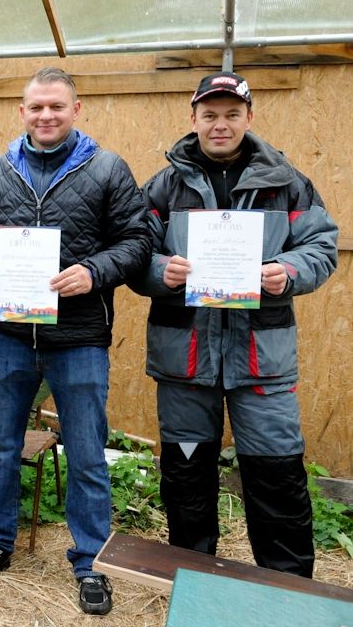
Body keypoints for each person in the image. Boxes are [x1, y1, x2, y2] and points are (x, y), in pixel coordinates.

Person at [0, 67, 150, 614]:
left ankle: (92, 559)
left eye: (56, 107)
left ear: (76, 109)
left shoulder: (107, 169)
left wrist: (95, 270)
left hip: (79, 338)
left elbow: (137, 240)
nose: (46, 116)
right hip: (8, 335)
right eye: (36, 107)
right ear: (22, 112)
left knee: (87, 454)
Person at [130, 71, 338, 578]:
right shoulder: (164, 185)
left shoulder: (287, 183)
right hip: (186, 360)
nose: (219, 125)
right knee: (185, 477)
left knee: (277, 478)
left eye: (230, 114)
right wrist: (162, 271)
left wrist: (287, 272)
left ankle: (286, 589)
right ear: (193, 119)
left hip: (261, 361)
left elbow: (322, 246)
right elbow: (133, 251)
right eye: (209, 115)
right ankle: (193, 580)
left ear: (249, 116)